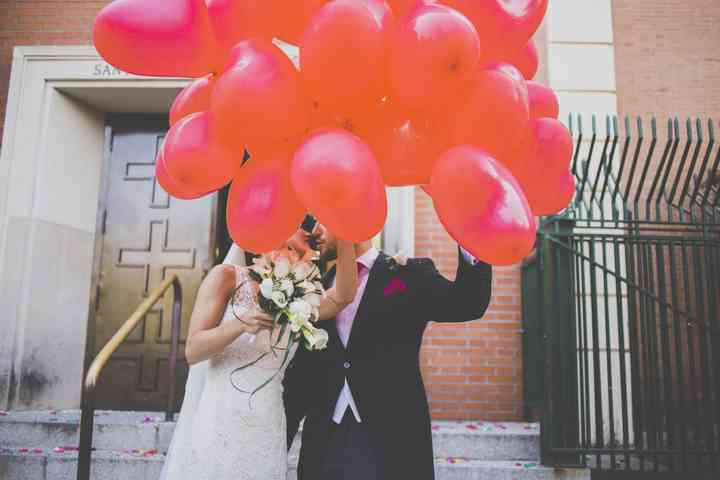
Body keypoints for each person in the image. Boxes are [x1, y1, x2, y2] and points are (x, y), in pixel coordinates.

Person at [283, 223, 493, 480]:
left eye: (321, 221)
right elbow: (302, 376)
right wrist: (274, 446)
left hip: (392, 438)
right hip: (325, 441)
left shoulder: (410, 274)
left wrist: (471, 238)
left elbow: (467, 303)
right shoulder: (313, 290)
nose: (314, 231)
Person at [159, 227, 358, 480]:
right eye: (302, 225)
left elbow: (344, 295)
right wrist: (240, 324)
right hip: (222, 413)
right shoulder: (227, 277)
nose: (311, 234)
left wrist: (344, 235)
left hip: (268, 420)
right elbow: (193, 350)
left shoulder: (301, 294)